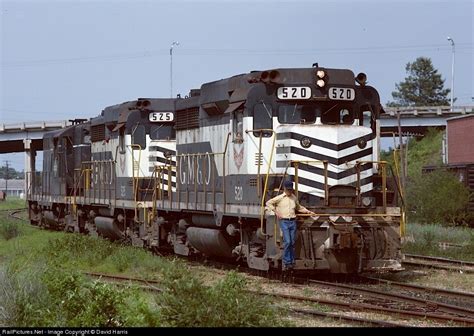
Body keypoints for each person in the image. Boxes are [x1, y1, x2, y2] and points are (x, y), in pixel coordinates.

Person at [265, 180, 316, 271]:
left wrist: (308, 211)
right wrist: (276, 212)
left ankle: (292, 261)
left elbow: (299, 207)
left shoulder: (294, 198)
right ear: (284, 189)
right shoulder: (279, 198)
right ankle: (286, 261)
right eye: (288, 190)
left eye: (291, 190)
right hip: (284, 221)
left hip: (292, 221)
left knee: (292, 242)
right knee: (287, 241)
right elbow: (268, 203)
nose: (289, 191)